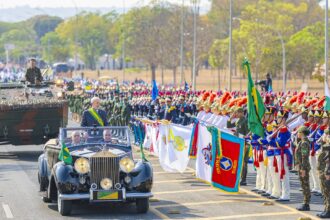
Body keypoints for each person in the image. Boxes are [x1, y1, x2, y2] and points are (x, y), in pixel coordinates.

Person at [227, 107, 249, 185]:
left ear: (242, 113)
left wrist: (247, 144)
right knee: (239, 160)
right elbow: (229, 125)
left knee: (244, 162)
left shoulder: (245, 121)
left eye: (237, 113)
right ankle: (239, 177)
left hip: (244, 143)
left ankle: (244, 179)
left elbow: (247, 133)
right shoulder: (237, 120)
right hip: (238, 143)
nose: (236, 114)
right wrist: (231, 118)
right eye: (236, 113)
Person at [295, 126, 311, 211]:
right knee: (303, 185)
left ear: (301, 133)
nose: (297, 134)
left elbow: (304, 157)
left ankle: (306, 203)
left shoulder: (304, 143)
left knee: (305, 185)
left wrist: (303, 169)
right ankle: (305, 202)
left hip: (303, 167)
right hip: (301, 166)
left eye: (298, 132)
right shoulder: (302, 142)